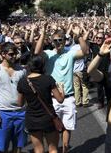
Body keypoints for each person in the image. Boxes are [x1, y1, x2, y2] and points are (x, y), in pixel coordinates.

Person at [34, 23, 89, 153]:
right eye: (55, 40)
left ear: (65, 41)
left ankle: (65, 149)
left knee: (67, 127)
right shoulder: (48, 54)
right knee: (51, 128)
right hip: (52, 98)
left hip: (68, 97)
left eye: (60, 40)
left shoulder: (70, 53)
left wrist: (79, 35)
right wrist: (43, 33)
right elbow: (36, 52)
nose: (58, 43)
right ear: (52, 42)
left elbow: (85, 52)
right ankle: (53, 149)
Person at [17, 55, 65, 153]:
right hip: (48, 117)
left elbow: (20, 103)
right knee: (53, 149)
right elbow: (60, 99)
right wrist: (62, 91)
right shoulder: (48, 79)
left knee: (38, 149)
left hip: (32, 118)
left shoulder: (22, 81)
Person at [0, 42, 27, 153]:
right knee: (2, 147)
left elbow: (25, 91)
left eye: (15, 53)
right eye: (11, 54)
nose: (14, 56)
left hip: (21, 112)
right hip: (4, 113)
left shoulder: (22, 70)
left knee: (18, 146)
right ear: (3, 54)